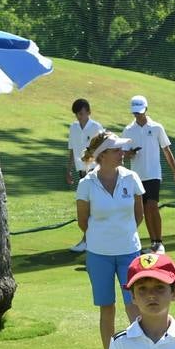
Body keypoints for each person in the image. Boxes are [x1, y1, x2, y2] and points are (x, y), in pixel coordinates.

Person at [75, 132, 144, 349]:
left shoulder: (131, 177)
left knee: (134, 306)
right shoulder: (86, 184)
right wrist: (102, 237)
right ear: (102, 155)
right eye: (116, 150)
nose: (121, 153)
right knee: (107, 308)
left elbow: (139, 215)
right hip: (99, 255)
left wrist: (122, 234)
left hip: (130, 252)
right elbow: (83, 221)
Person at [121, 95, 175, 254]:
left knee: (152, 206)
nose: (137, 115)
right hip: (136, 176)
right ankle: (154, 243)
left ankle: (159, 242)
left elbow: (166, 150)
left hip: (154, 174)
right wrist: (129, 155)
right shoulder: (128, 130)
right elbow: (122, 154)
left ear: (146, 109)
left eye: (140, 112)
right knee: (144, 210)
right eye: (135, 113)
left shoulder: (156, 127)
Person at [66, 98, 103, 252]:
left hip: (95, 172)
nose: (80, 117)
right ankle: (88, 239)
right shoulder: (73, 128)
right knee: (86, 207)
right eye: (77, 114)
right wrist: (68, 169)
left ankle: (88, 240)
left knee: (94, 207)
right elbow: (71, 150)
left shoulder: (96, 127)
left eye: (82, 113)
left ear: (88, 112)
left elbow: (102, 149)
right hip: (82, 172)